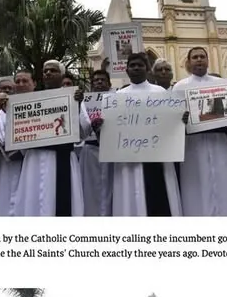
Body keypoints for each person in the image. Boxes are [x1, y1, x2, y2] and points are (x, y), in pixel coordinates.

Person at [174, 46, 227, 216]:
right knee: (197, 189)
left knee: (225, 184)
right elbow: (174, 121)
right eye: (195, 57)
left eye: (202, 56)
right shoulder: (179, 87)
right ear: (188, 62)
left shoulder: (222, 84)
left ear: (208, 60)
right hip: (193, 145)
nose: (199, 60)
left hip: (220, 143)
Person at [106, 53, 185, 215]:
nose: (136, 68)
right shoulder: (117, 97)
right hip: (129, 159)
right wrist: (102, 126)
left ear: (148, 69)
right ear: (126, 70)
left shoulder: (161, 93)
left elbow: (171, 125)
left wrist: (180, 120)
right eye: (132, 65)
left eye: (140, 65)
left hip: (158, 159)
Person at [10, 61, 88, 215]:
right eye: (45, 71)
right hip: (35, 159)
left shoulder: (73, 97)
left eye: (53, 70)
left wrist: (77, 106)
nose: (48, 73)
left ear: (62, 75)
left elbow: (83, 131)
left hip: (61, 157)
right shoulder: (30, 100)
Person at [0, 74, 31, 216]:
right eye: (4, 88)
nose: (8, 91)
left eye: (10, 88)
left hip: (21, 161)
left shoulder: (21, 109)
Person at [78, 68, 114, 215]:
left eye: (103, 80)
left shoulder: (117, 99)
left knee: (111, 188)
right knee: (90, 188)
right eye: (96, 80)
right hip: (90, 150)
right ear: (92, 84)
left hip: (111, 150)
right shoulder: (82, 102)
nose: (99, 82)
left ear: (109, 83)